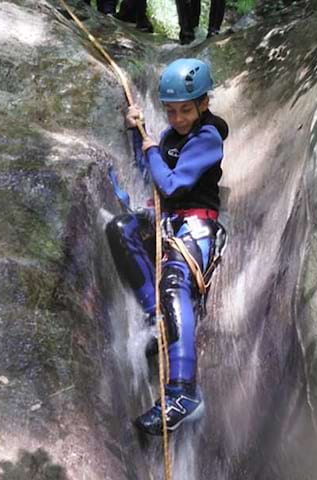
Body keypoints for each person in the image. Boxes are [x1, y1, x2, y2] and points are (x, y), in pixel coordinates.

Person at [106, 58, 229, 435]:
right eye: (171, 111)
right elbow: (152, 175)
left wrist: (151, 149)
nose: (176, 119)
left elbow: (173, 185)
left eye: (185, 110)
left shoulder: (208, 136)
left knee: (176, 282)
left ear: (203, 104)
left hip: (195, 226)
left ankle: (183, 394)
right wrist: (136, 134)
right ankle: (156, 318)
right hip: (168, 221)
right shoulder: (171, 138)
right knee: (121, 228)